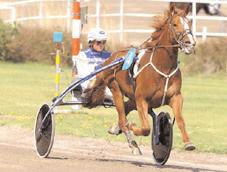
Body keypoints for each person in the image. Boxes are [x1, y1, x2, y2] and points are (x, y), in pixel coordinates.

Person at [71, 28, 112, 109]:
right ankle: (79, 96)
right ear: (91, 42)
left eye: (104, 42)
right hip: (89, 84)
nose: (101, 45)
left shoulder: (109, 55)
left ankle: (105, 97)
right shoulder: (82, 55)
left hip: (105, 84)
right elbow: (84, 74)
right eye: (98, 42)